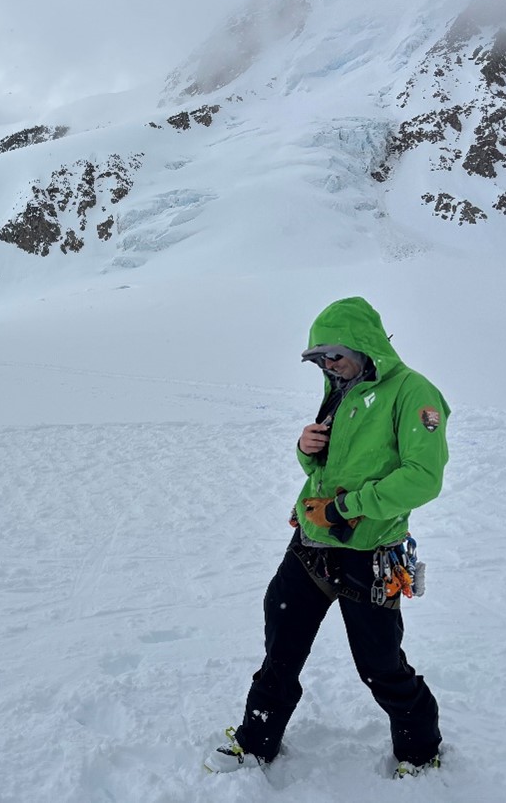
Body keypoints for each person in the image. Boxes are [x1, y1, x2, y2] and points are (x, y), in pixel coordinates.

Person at [204, 296, 450, 779]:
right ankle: (256, 741)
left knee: (380, 665)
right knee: (281, 650)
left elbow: (423, 477)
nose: (327, 365)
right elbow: (333, 465)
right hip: (311, 548)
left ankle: (421, 750)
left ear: (364, 345)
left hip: (369, 553)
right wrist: (306, 449)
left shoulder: (412, 392)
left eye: (333, 354)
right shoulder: (342, 391)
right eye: (317, 359)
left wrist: (345, 508)